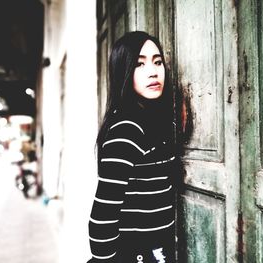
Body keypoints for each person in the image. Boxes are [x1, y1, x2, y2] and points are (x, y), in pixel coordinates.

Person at [88, 31, 177, 263]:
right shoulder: (127, 129)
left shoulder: (152, 122)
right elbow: (103, 215)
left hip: (157, 251)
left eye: (158, 62)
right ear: (124, 72)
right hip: (137, 255)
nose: (153, 71)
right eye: (140, 64)